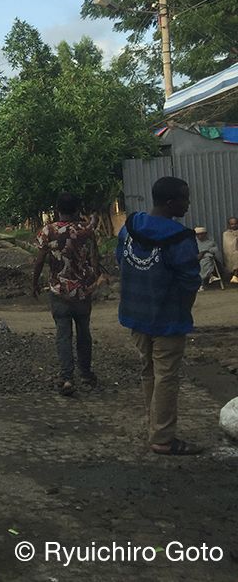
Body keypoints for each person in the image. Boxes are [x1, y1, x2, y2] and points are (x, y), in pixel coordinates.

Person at [117, 176, 203, 456]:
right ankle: (163, 439)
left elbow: (121, 261)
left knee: (148, 371)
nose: (187, 204)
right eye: (184, 198)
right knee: (166, 376)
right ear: (170, 203)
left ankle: (154, 425)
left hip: (135, 314)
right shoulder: (180, 238)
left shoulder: (128, 228)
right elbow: (191, 282)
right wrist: (183, 311)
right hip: (168, 318)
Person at [32, 193, 100, 396]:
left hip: (59, 289)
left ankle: (67, 377)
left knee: (63, 333)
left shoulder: (49, 230)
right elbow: (95, 257)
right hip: (83, 291)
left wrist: (34, 283)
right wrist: (94, 279)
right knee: (84, 332)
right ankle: (86, 373)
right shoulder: (87, 230)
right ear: (78, 209)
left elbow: (40, 259)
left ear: (57, 209)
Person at [220, 217, 238, 285]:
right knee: (236, 255)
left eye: (235, 224)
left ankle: (235, 276)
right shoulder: (226, 234)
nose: (234, 225)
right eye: (232, 224)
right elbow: (228, 246)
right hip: (230, 255)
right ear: (229, 225)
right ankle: (235, 275)